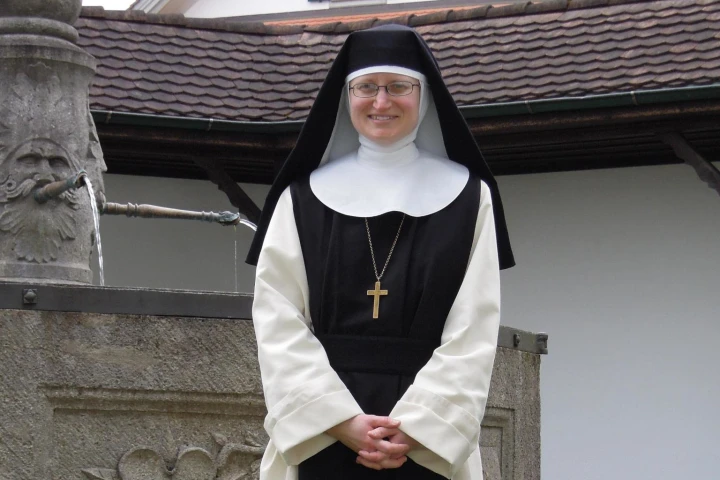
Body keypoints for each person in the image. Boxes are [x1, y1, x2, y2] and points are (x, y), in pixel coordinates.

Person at [247, 24, 515, 480]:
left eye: (398, 87)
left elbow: (475, 325)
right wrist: (338, 420)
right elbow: (277, 318)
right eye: (366, 87)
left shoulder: (472, 199)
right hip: (324, 432)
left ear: (423, 95)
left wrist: (417, 427)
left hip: (425, 439)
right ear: (347, 96)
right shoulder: (302, 198)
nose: (381, 101)